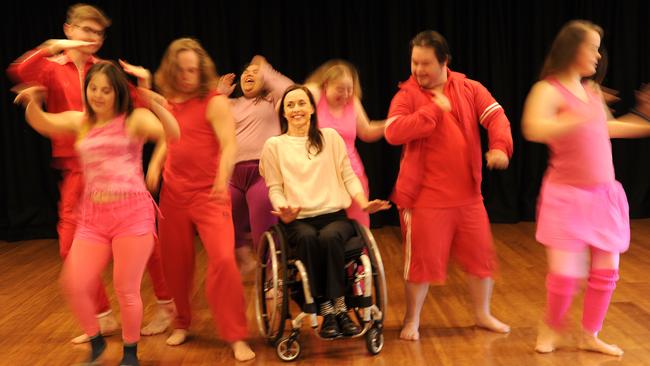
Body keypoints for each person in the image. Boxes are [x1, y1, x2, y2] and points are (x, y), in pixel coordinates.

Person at [7, 3, 176, 342]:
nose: (92, 38)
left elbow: (140, 109)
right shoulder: (53, 67)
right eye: (85, 30)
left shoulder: (106, 71)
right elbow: (19, 72)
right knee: (71, 248)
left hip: (118, 169)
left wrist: (148, 91)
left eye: (98, 33)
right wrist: (54, 48)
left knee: (148, 245)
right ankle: (103, 316)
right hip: (77, 168)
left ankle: (165, 304)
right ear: (68, 30)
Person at [521, 20, 650, 356]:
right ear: (572, 48)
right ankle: (550, 326)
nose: (598, 55)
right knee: (565, 278)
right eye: (593, 46)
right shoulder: (547, 90)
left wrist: (644, 120)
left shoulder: (591, 91)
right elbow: (534, 128)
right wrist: (576, 117)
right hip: (566, 198)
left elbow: (608, 129)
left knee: (607, 272)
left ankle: (590, 334)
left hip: (603, 197)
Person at [384, 30, 513, 341]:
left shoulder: (469, 87)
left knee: (481, 259)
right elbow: (393, 132)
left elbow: (497, 117)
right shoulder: (407, 94)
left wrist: (499, 147)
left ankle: (482, 314)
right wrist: (432, 111)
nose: (418, 70)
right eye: (414, 63)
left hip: (468, 196)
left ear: (444, 62)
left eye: (425, 63)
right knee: (421, 264)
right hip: (424, 198)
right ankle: (411, 319)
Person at [147, 38, 255, 362]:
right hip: (174, 194)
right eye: (180, 70)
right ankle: (182, 321)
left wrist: (223, 177)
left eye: (192, 70)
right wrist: (154, 165)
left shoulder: (214, 101)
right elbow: (169, 138)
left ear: (202, 69)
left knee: (223, 261)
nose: (186, 76)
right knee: (175, 264)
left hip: (210, 194)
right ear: (171, 70)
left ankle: (236, 335)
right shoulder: (169, 101)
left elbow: (230, 145)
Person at [259, 84, 391, 338]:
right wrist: (282, 209)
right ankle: (326, 309)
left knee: (330, 237)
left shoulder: (330, 138)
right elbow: (274, 187)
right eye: (290, 105)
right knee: (308, 238)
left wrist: (363, 202)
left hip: (334, 216)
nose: (296, 109)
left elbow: (348, 176)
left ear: (311, 108)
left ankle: (337, 309)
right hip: (298, 220)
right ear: (284, 113)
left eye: (301, 103)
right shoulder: (274, 146)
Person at [216, 55, 293, 274]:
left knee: (263, 228)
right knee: (225, 224)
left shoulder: (272, 101)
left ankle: (272, 275)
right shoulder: (231, 104)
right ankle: (244, 257)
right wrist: (218, 94)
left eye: (254, 72)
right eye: (246, 72)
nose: (249, 74)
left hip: (262, 173)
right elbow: (205, 118)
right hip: (233, 175)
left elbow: (289, 88)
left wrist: (265, 71)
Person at [305, 59, 386, 227]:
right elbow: (289, 100)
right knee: (327, 226)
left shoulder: (352, 102)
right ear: (326, 85)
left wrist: (390, 124)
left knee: (359, 223)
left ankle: (359, 252)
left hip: (351, 172)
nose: (346, 94)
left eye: (350, 89)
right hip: (321, 174)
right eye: (340, 89)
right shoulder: (316, 96)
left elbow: (367, 131)